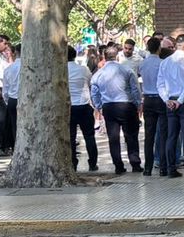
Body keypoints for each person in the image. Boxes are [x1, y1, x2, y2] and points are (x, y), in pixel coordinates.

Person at [91, 43, 143, 174]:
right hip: (126, 105)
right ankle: (135, 163)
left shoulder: (98, 74)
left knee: (113, 138)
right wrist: (138, 104)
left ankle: (118, 166)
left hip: (109, 107)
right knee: (131, 136)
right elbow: (135, 89)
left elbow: (94, 93)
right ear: (117, 57)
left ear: (105, 57)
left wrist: (99, 107)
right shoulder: (127, 70)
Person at [159, 34, 184, 174]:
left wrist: (167, 100)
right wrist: (180, 101)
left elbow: (160, 84)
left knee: (172, 135)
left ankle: (171, 168)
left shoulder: (165, 62)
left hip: (170, 101)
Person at [67, 45, 98, 171]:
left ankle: (72, 163)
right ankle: (92, 162)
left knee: (70, 137)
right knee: (89, 136)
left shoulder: (60, 71)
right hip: (84, 106)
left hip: (68, 107)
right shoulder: (84, 70)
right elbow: (90, 82)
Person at [139, 37, 167, 175]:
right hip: (161, 99)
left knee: (149, 135)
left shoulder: (142, 64)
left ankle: (147, 168)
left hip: (148, 99)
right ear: (159, 48)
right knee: (162, 134)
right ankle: (163, 166)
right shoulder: (162, 63)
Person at [0, 44, 20, 156]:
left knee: (14, 126)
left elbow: (5, 89)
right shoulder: (32, 68)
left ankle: (16, 148)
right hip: (25, 100)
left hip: (13, 100)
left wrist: (8, 101)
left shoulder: (9, 69)